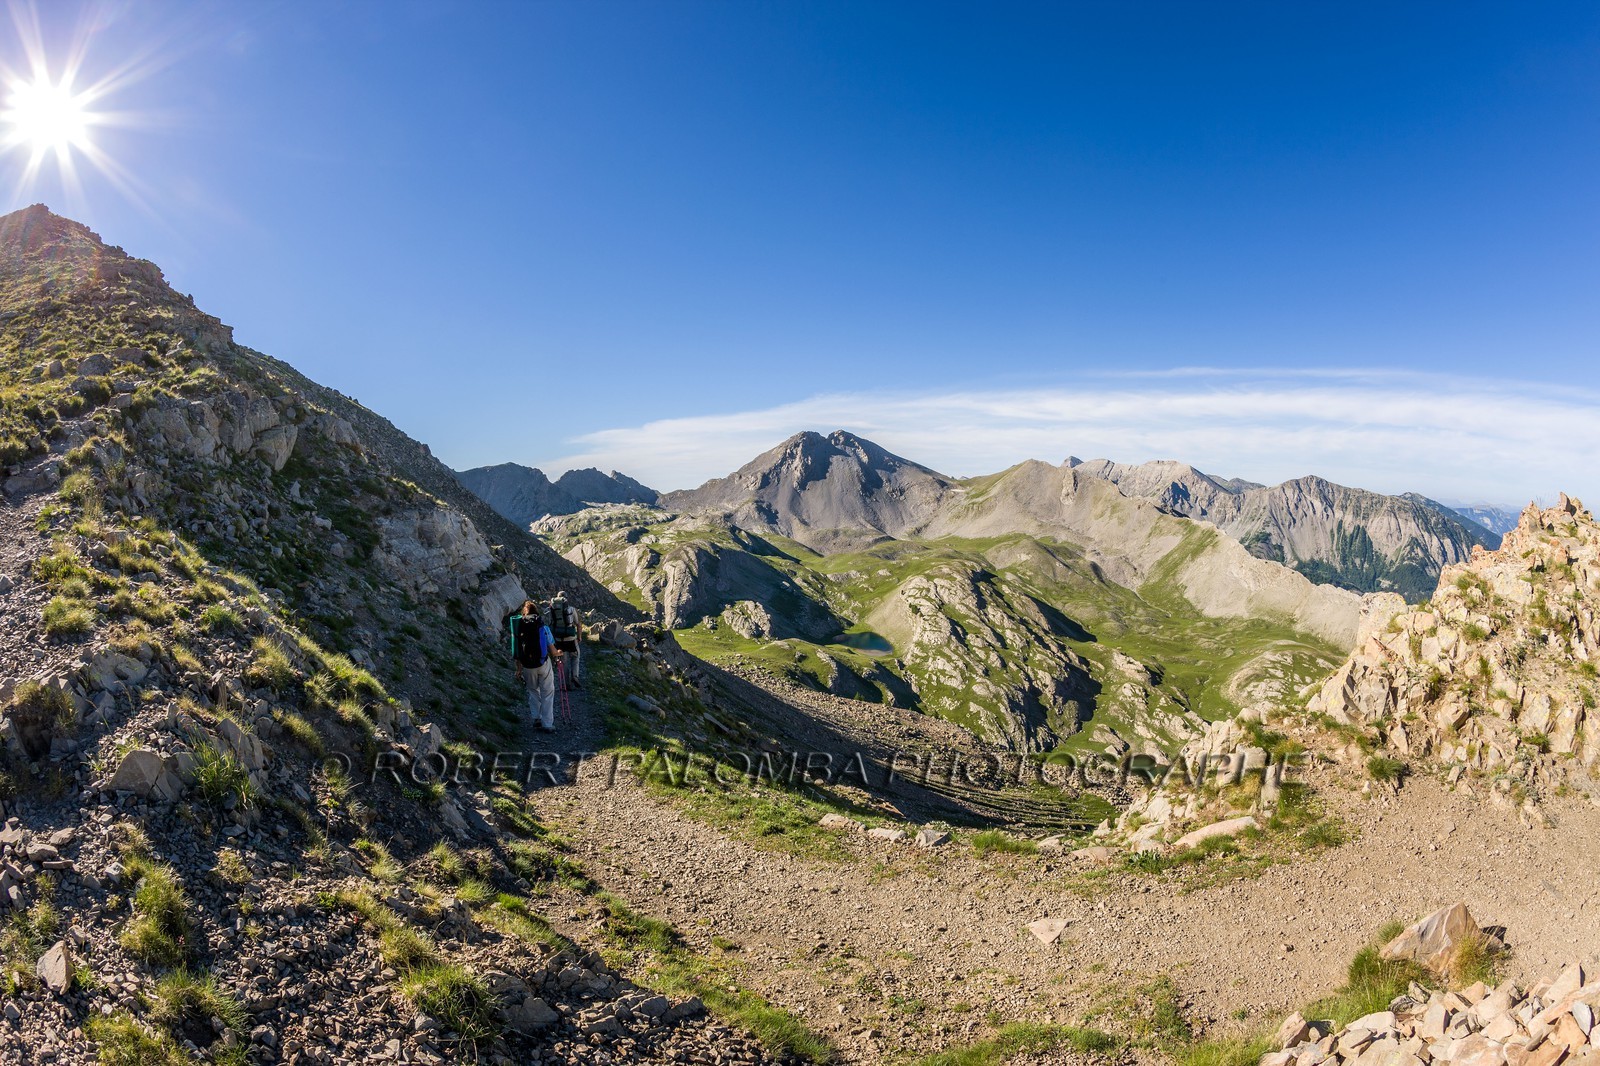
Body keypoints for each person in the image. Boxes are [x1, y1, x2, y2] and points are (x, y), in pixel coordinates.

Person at [507, 598, 556, 732]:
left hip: (527, 666)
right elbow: (552, 650)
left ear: (524, 613)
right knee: (547, 692)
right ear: (536, 613)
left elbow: (517, 651)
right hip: (543, 663)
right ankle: (547, 724)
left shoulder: (519, 627)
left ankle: (536, 718)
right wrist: (558, 653)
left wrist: (518, 669)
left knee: (533, 691)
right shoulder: (542, 627)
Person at [549, 591, 582, 690]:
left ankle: (566, 684)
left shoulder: (552, 609)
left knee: (564, 661)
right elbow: (578, 624)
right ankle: (575, 676)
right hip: (571, 638)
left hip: (559, 639)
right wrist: (579, 637)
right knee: (575, 656)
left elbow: (551, 623)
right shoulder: (571, 609)